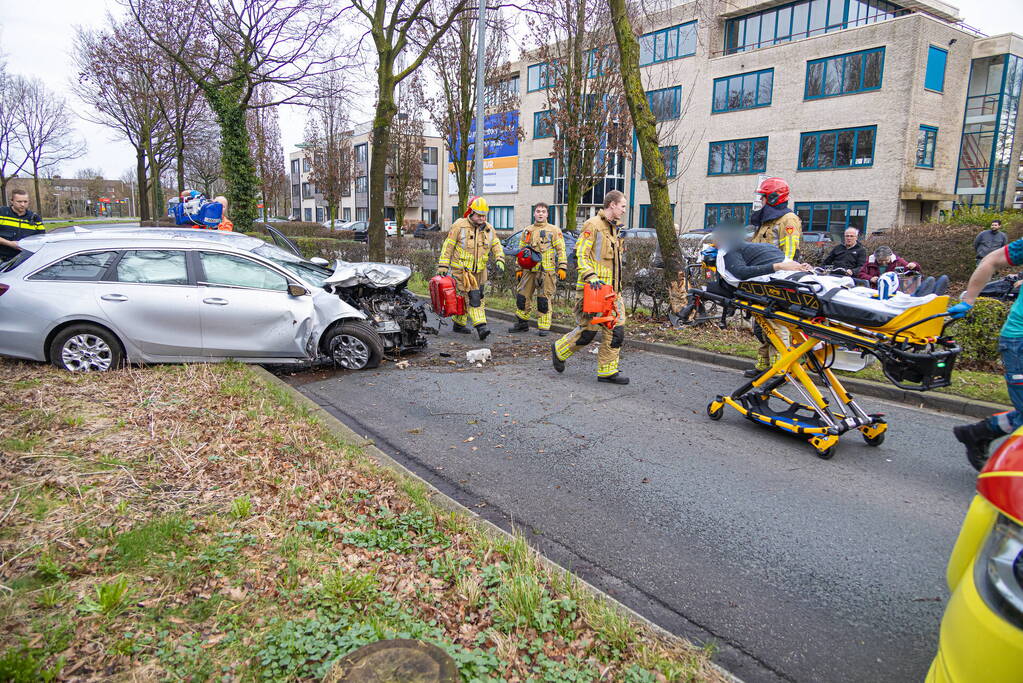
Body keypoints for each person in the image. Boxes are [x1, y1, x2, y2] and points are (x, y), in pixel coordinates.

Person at [949, 236, 1023, 470]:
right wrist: (969, 299)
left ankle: (978, 433)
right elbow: (991, 259)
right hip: (1019, 341)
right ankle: (1004, 479)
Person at [551, 190, 629, 385]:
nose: (624, 210)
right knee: (587, 333)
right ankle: (559, 350)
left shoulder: (616, 229)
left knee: (617, 331)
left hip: (612, 293)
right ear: (612, 204)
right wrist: (591, 276)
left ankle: (607, 371)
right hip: (593, 291)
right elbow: (581, 254)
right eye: (623, 206)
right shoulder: (592, 225)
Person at [747, 177, 802, 377]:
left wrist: (780, 276)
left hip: (777, 279)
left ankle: (781, 369)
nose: (760, 201)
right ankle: (764, 364)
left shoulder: (788, 220)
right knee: (762, 324)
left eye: (763, 197)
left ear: (773, 197)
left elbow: (788, 255)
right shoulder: (767, 220)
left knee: (777, 323)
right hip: (762, 277)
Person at [436, 196, 505, 341]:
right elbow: (448, 245)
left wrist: (500, 258)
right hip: (462, 270)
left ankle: (458, 324)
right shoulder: (459, 225)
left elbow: (496, 244)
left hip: (480, 270)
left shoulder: (488, 228)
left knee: (466, 297)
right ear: (471, 212)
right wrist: (443, 265)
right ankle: (481, 327)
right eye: (479, 215)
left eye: (484, 215)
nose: (482, 218)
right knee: (475, 297)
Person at [509, 202, 567, 337]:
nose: (540, 213)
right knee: (522, 296)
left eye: (543, 211)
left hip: (546, 271)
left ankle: (544, 327)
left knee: (543, 299)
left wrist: (562, 266)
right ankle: (522, 323)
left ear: (547, 214)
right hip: (528, 270)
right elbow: (521, 251)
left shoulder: (554, 230)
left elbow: (561, 250)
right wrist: (519, 268)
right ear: (534, 213)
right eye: (538, 211)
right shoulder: (527, 230)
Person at [0, 190, 44, 262]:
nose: (23, 204)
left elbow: (42, 239)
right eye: (19, 202)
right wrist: (10, 244)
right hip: (2, 259)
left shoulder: (35, 218)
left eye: (25, 202)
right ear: (12, 201)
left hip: (25, 261)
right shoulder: (2, 213)